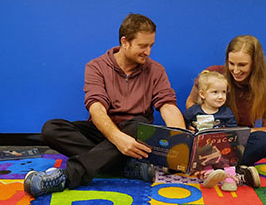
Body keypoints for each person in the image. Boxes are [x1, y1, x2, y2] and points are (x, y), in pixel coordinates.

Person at [24, 13, 186, 197]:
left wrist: (182, 142)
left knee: (140, 124)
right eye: (143, 46)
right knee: (51, 129)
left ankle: (67, 177)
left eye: (151, 46)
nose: (148, 52)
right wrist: (117, 139)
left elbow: (168, 105)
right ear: (125, 42)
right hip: (104, 132)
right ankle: (124, 167)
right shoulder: (96, 66)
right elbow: (96, 108)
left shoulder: (155, 70)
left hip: (135, 135)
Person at [186, 35, 266, 185]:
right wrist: (197, 122)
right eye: (231, 63)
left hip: (234, 143)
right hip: (206, 137)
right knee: (181, 139)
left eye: (242, 65)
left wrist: (238, 134)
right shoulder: (212, 75)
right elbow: (190, 103)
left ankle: (216, 167)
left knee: (264, 141)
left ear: (255, 64)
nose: (235, 70)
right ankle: (235, 171)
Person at [184, 70, 259, 192]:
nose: (221, 96)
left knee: (230, 159)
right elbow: (183, 122)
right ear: (203, 94)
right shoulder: (194, 111)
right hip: (203, 150)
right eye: (215, 92)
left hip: (222, 148)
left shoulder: (226, 113)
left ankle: (229, 179)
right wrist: (189, 128)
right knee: (202, 156)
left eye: (223, 92)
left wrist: (228, 134)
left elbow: (234, 132)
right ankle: (209, 175)